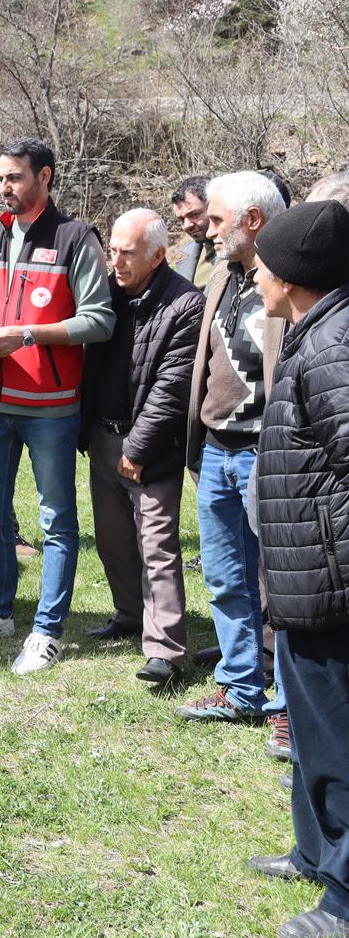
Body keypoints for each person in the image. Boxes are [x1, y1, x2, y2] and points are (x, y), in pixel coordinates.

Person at [0, 138, 114, 674]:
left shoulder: (75, 238)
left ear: (45, 176)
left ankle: (47, 630)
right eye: (0, 178)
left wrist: (29, 335)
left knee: (56, 520)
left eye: (14, 177)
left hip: (51, 406)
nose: (4, 187)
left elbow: (100, 319)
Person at [245, 198, 349, 938]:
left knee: (339, 740)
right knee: (313, 731)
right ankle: (314, 852)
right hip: (302, 578)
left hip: (329, 581)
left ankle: (344, 898)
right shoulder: (316, 332)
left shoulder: (335, 346)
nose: (255, 277)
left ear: (293, 275)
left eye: (262, 266)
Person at [177, 171, 289, 734]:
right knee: (225, 579)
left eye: (218, 220)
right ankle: (241, 686)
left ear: (253, 220)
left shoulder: (292, 279)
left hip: (268, 452)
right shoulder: (222, 274)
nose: (209, 230)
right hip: (217, 451)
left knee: (286, 587)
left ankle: (290, 706)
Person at [77, 209, 203, 686]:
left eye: (127, 253)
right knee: (112, 539)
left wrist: (139, 448)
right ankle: (129, 614)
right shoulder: (107, 295)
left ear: (158, 255)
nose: (116, 261)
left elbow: (172, 387)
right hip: (103, 435)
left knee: (157, 546)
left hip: (151, 447)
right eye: (112, 250)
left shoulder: (185, 304)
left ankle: (165, 650)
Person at [171, 176, 219, 290]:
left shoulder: (239, 250)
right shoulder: (191, 253)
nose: (187, 225)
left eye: (194, 215)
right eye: (181, 219)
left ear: (213, 207)